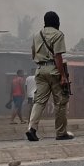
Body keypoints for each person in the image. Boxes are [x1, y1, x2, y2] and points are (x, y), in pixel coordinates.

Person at [26, 10, 73, 142]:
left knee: (39, 101)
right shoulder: (58, 35)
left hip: (40, 70)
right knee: (61, 102)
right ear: (57, 22)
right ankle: (61, 132)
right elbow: (58, 56)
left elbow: (33, 54)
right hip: (54, 70)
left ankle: (32, 129)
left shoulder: (37, 34)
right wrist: (62, 75)